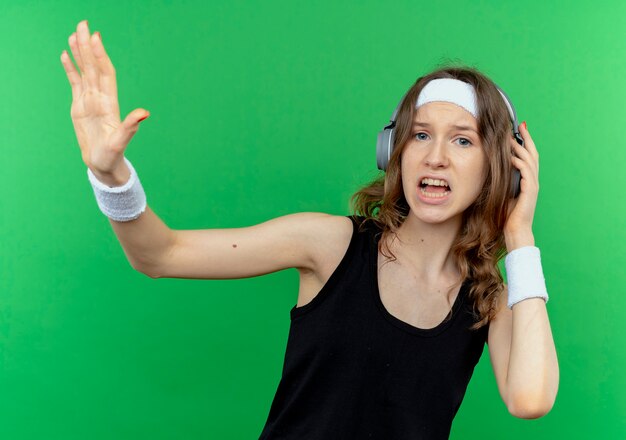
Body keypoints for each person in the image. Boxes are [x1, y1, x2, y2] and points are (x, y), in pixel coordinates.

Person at [61, 20, 559, 440]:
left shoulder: (488, 297)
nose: (435, 157)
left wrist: (520, 236)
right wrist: (111, 177)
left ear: (500, 168)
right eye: (421, 135)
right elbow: (160, 255)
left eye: (462, 141)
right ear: (395, 151)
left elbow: (530, 398)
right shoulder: (329, 245)